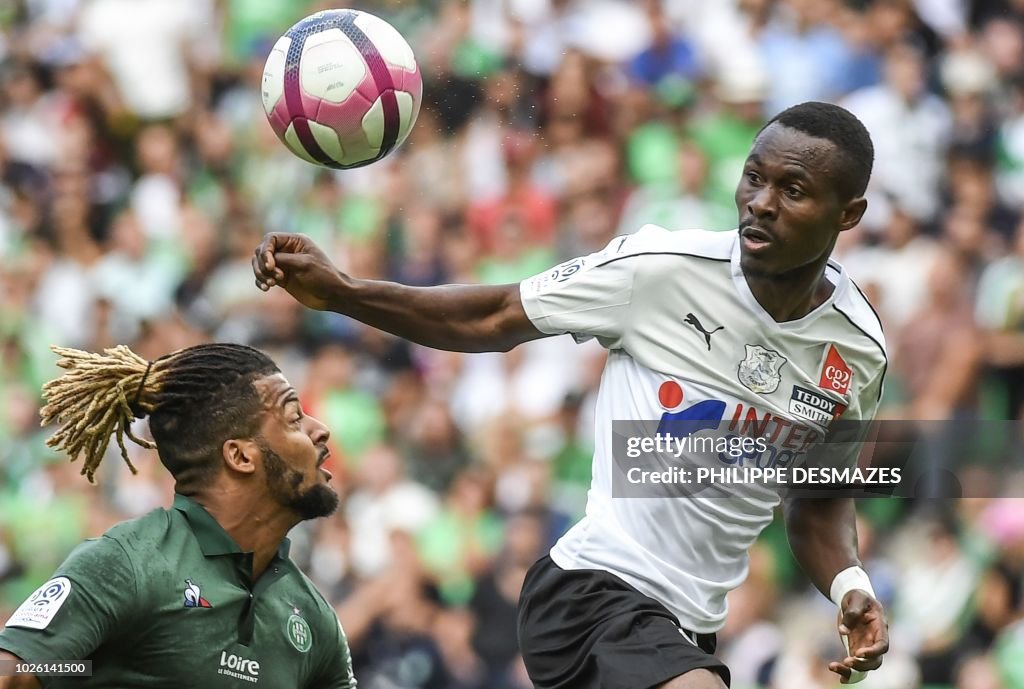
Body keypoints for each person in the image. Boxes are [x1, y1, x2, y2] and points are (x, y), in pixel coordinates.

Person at [252, 101, 891, 688]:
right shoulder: (660, 271)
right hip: (592, 593)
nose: (761, 202)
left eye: (794, 189)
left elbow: (818, 502)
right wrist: (342, 292)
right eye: (754, 177)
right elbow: (493, 316)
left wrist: (849, 584)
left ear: (849, 214)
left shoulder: (859, 352)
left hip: (687, 629)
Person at [0, 343, 356, 688]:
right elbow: (11, 672)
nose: (319, 430)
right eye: (294, 418)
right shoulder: (128, 564)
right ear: (241, 457)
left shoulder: (312, 616)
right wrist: (84, 670)